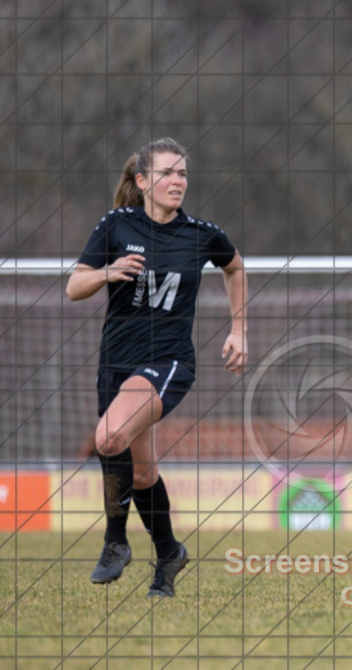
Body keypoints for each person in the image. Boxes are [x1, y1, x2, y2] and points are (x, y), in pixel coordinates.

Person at [66, 138, 248, 596]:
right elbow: (73, 287)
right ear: (143, 181)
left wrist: (239, 329)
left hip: (167, 361)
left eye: (183, 173)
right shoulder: (115, 226)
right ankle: (169, 554)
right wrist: (108, 272)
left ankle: (114, 542)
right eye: (168, 173)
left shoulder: (201, 233)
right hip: (115, 363)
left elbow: (235, 267)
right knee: (142, 473)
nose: (178, 181)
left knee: (109, 438)